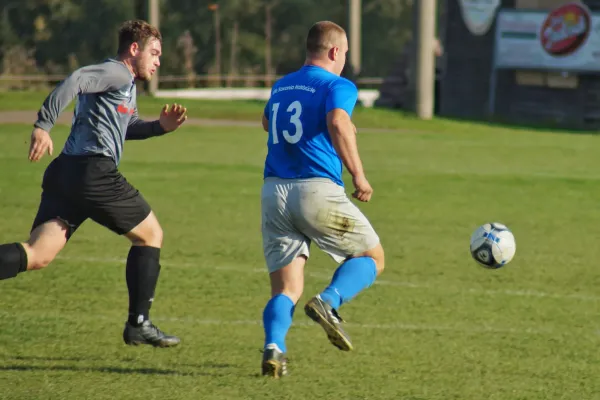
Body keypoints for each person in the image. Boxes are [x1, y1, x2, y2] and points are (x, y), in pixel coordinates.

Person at [0, 20, 188, 348]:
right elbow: (77, 80)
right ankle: (138, 324)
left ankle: (138, 324)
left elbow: (125, 125)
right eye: (154, 53)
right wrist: (43, 124)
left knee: (38, 254)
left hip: (67, 174)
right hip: (93, 173)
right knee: (151, 235)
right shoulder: (115, 72)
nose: (158, 61)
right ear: (134, 49)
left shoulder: (125, 84)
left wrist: (160, 127)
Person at [259, 21, 385, 378]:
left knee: (285, 287)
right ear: (334, 52)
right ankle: (329, 302)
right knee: (372, 256)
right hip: (315, 190)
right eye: (344, 53)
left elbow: (268, 123)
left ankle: (274, 347)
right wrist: (358, 174)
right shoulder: (338, 84)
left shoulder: (282, 84)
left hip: (274, 192)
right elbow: (338, 122)